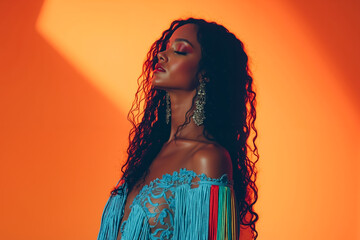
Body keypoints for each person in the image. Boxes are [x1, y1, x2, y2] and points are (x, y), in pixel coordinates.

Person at [97, 17, 259, 240]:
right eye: (165, 48)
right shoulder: (150, 153)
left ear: (206, 73)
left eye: (180, 50)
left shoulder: (208, 158)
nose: (162, 55)